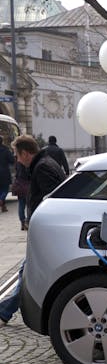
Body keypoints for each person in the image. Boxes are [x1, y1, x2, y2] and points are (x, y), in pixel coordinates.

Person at [0, 135, 66, 324]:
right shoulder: (45, 163)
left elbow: (51, 201)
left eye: (17, 155)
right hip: (46, 232)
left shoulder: (42, 167)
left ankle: (4, 311)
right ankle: (4, 310)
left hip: (47, 233)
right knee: (25, 272)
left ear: (26, 153)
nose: (17, 159)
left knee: (28, 274)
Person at [11, 160, 30, 230]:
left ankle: (22, 222)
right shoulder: (27, 162)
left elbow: (17, 174)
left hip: (19, 186)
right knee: (29, 205)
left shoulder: (18, 162)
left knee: (21, 204)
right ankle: (27, 222)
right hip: (27, 185)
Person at [0, 136, 13, 212]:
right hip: (4, 172)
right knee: (5, 189)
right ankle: (1, 200)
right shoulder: (6, 149)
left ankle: (3, 207)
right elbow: (11, 160)